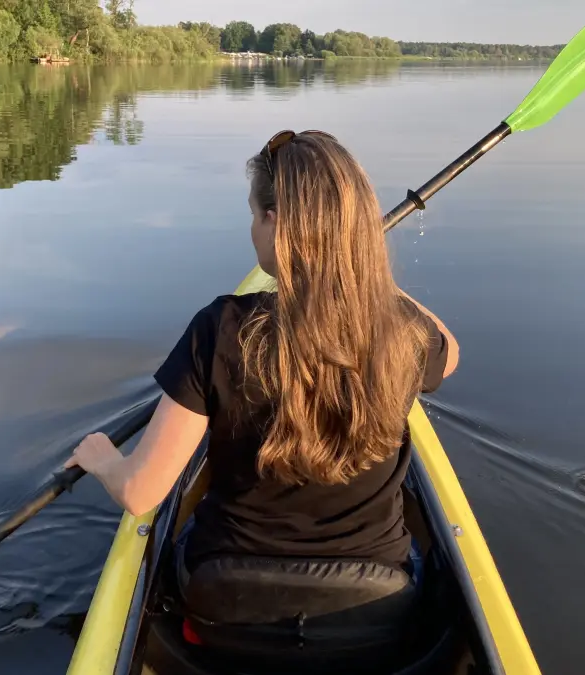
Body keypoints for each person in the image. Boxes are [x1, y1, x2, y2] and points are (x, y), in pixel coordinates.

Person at [65, 129, 459, 593]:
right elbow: (448, 355)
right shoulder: (403, 334)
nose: (251, 227)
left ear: (275, 223)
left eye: (254, 214)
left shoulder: (219, 329)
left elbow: (139, 492)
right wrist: (362, 272)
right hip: (375, 601)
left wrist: (104, 459)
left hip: (227, 599)